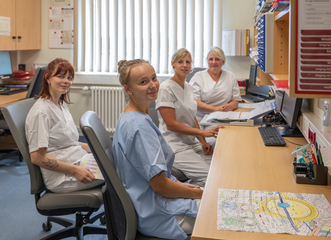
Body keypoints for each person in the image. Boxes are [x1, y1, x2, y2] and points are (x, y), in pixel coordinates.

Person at [112, 59, 202, 240]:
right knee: (221, 210)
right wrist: (197, 194)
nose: (153, 85)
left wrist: (183, 187)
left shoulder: (132, 116)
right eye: (143, 82)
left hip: (153, 201)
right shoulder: (139, 127)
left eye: (153, 78)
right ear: (128, 89)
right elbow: (160, 186)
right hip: (159, 215)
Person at [25, 58, 104, 193]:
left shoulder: (60, 104)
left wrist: (96, 148)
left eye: (69, 77)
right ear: (48, 78)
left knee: (117, 163)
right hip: (62, 177)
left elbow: (67, 142)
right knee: (119, 174)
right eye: (60, 76)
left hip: (78, 161)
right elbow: (37, 157)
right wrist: (76, 170)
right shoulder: (41, 112)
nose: (66, 81)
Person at [155, 48, 223, 188]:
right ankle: (182, 194)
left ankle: (190, 187)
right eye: (180, 62)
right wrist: (203, 132)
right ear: (173, 64)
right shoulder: (166, 89)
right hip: (174, 146)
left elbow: (193, 118)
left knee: (219, 169)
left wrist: (203, 141)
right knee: (209, 177)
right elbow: (171, 125)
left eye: (188, 62)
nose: (185, 65)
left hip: (191, 143)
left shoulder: (188, 87)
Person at [189, 46, 242, 122]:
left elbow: (236, 101)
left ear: (223, 62)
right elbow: (194, 101)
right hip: (203, 118)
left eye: (217, 59)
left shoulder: (230, 76)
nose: (213, 62)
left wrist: (230, 106)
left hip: (224, 117)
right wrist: (214, 109)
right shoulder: (198, 77)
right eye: (211, 59)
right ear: (207, 61)